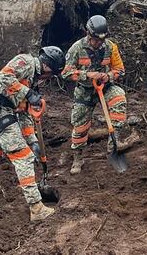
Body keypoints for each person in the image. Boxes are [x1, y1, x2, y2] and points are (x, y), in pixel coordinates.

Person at [0, 47, 65, 221]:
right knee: (23, 158)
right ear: (47, 68)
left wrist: (32, 141)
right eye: (51, 75)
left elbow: (24, 114)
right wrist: (29, 93)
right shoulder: (26, 62)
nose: (49, 79)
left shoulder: (31, 81)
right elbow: (3, 76)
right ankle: (37, 209)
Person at [61, 15, 135, 174]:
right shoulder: (77, 48)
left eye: (102, 40)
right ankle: (78, 157)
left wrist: (109, 76)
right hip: (85, 90)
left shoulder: (111, 47)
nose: (99, 43)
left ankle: (113, 143)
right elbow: (66, 73)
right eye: (95, 39)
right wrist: (87, 75)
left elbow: (120, 69)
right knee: (80, 125)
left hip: (106, 87)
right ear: (88, 34)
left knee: (119, 98)